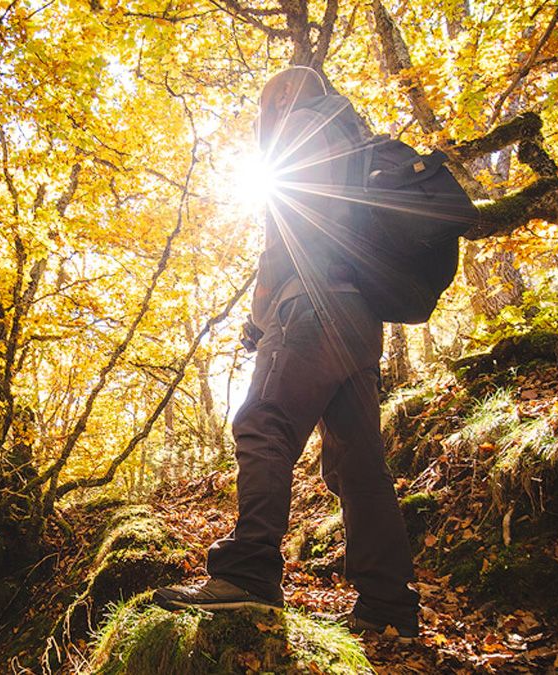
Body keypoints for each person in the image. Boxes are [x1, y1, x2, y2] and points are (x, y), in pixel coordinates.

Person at [153, 66, 421, 639]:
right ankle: (389, 605)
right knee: (358, 462)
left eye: (267, 103)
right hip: (359, 320)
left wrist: (258, 317)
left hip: (310, 311)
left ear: (284, 99)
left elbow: (286, 235)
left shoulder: (302, 127)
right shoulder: (357, 141)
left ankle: (247, 573)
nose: (264, 116)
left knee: (262, 423)